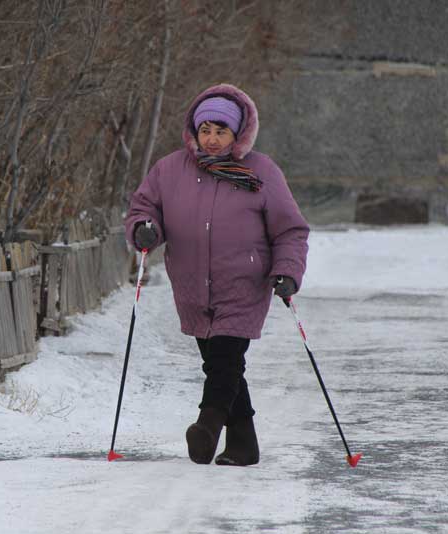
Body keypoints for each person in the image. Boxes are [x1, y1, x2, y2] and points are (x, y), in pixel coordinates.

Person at [125, 83, 310, 466]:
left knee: (226, 358)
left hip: (243, 284)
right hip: (192, 285)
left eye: (220, 131)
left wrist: (287, 272)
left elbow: (290, 229)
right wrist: (145, 228)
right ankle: (243, 445)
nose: (211, 139)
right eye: (205, 130)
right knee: (219, 364)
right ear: (194, 129)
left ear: (238, 132)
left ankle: (207, 428)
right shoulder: (169, 170)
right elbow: (145, 208)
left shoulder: (260, 172)